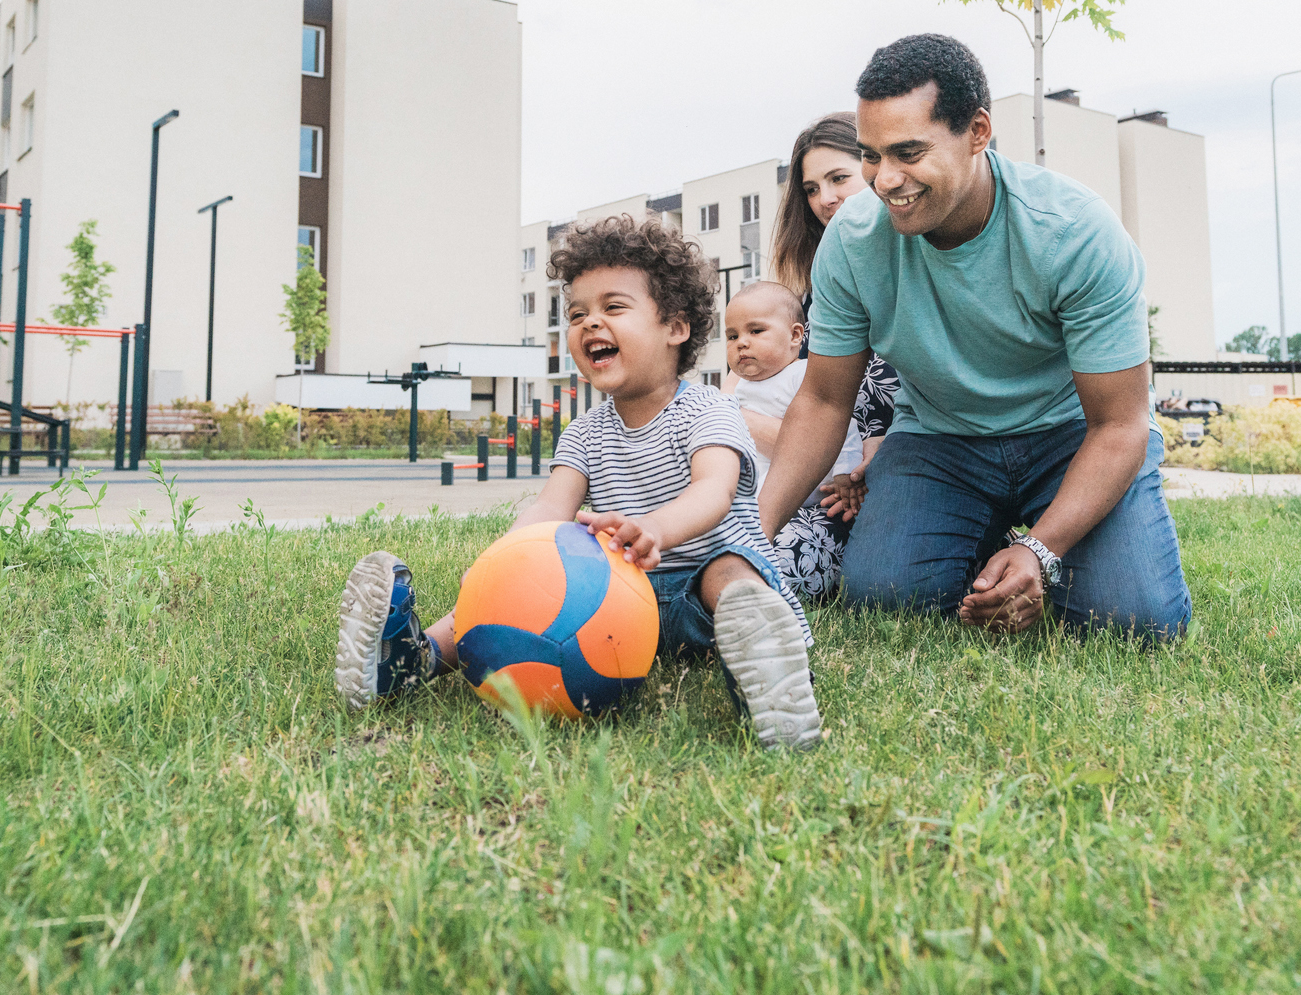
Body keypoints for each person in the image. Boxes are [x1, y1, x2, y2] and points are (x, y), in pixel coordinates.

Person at [758, 34, 1191, 640]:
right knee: (886, 599)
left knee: (1132, 622)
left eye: (908, 152)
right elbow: (825, 401)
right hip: (939, 440)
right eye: (872, 155)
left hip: (1070, 438)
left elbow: (1120, 425)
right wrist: (751, 535)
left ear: (978, 132)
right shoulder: (852, 242)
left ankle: (1037, 552)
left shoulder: (1073, 232)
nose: (885, 180)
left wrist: (1042, 550)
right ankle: (987, 544)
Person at [334, 215, 821, 750]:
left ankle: (762, 672)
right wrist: (502, 561)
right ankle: (409, 660)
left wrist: (654, 528)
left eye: (613, 307)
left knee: (729, 570)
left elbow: (715, 491)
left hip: (703, 591)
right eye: (577, 313)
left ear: (676, 328)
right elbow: (550, 507)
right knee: (514, 588)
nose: (590, 324)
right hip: (619, 603)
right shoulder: (587, 431)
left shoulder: (709, 409)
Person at [772, 111, 902, 495]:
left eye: (839, 179)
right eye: (811, 189)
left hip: (916, 467)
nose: (825, 200)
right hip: (825, 483)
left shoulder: (919, 271)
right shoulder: (811, 297)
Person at [722, 280, 859, 599]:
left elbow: (841, 427)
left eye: (756, 331)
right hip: (745, 498)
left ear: (796, 336)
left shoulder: (804, 376)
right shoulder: (736, 389)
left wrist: (844, 473)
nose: (742, 343)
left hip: (801, 501)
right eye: (732, 336)